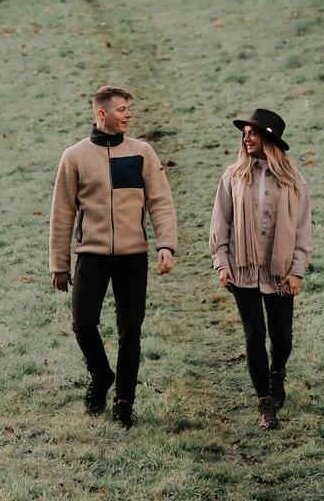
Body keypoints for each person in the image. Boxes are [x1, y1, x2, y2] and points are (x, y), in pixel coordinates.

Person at [49, 85, 178, 429]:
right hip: (91, 254)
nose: (128, 115)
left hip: (133, 257)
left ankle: (124, 402)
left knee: (129, 331)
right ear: (102, 114)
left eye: (128, 109)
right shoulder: (74, 157)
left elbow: (160, 201)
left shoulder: (142, 153)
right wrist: (59, 264)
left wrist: (166, 243)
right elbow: (62, 213)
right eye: (121, 109)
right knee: (83, 322)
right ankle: (101, 374)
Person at [210, 108, 312, 430]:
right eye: (245, 133)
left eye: (253, 132)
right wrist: (221, 263)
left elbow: (303, 228)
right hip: (243, 269)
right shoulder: (233, 177)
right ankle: (265, 402)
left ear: (270, 139)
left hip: (279, 271)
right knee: (255, 334)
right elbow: (220, 222)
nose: (246, 137)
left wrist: (296, 269)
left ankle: (277, 373)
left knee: (281, 336)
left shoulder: (294, 181)